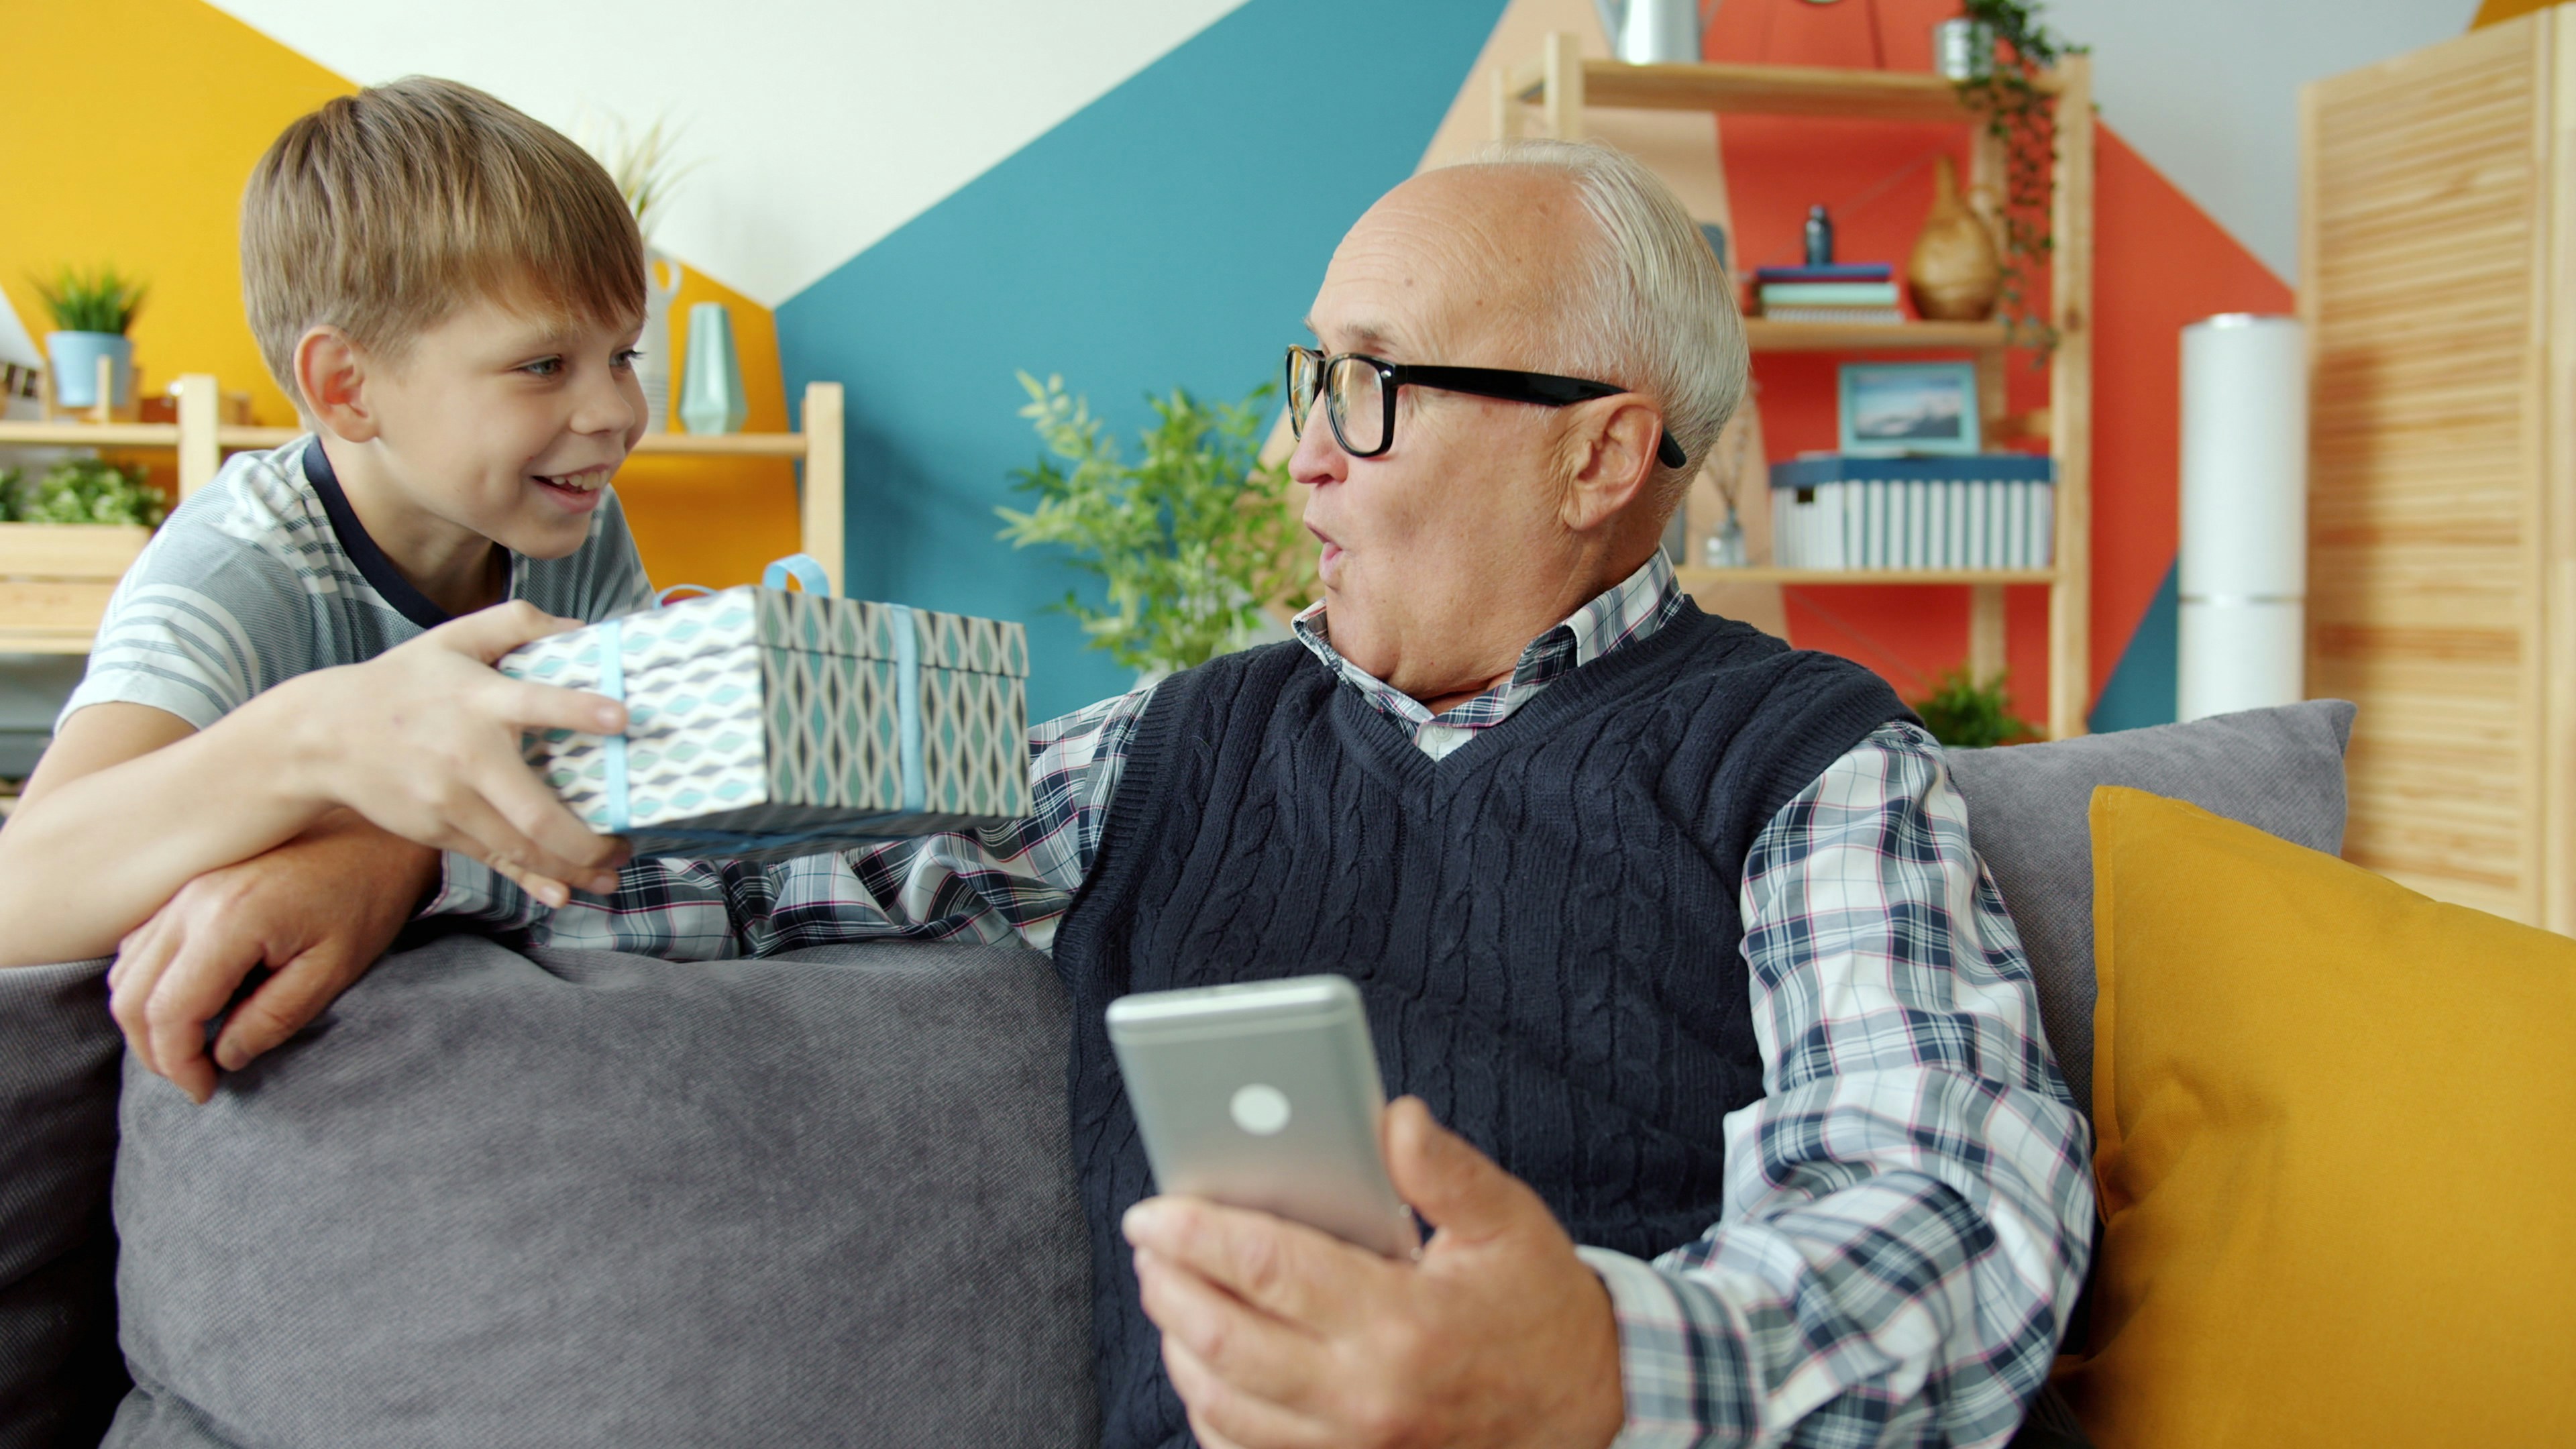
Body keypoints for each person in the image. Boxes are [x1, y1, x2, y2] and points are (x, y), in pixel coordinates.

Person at [77, 138, 2098, 1444]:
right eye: (1302, 386)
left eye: (1363, 392)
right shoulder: (1170, 746)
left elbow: (1965, 1227)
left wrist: (1593, 1370)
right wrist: (401, 838)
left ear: (1598, 456)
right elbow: (759, 860)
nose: (1298, 456)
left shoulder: (1813, 768)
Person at [0, 77, 653, 1097]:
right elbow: (19, 889)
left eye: (623, 354)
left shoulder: (574, 522)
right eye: (542, 364)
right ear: (347, 389)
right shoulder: (240, 566)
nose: (614, 409)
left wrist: (386, 849)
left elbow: (617, 780)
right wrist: (317, 740)